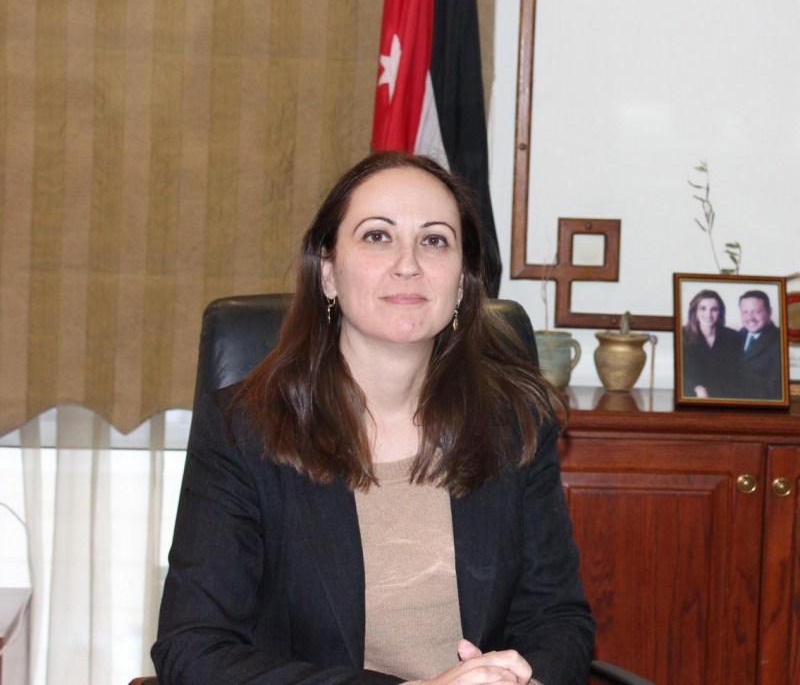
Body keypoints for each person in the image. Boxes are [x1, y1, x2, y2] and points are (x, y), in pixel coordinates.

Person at [152, 151, 595, 685]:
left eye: (434, 240)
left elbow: (557, 620)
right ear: (329, 273)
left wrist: (523, 680)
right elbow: (193, 649)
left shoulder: (514, 424)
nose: (408, 264)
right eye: (377, 236)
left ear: (461, 283)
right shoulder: (243, 429)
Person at [681, 289, 741, 398]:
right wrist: (698, 388)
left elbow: (735, 375)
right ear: (695, 311)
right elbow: (682, 373)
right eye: (703, 308)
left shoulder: (734, 337)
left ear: (720, 313)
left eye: (714, 309)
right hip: (691, 395)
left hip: (724, 397)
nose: (708, 314)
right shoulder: (682, 335)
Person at [735, 290, 782, 399]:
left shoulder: (780, 341)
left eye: (756, 311)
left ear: (769, 312)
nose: (750, 318)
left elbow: (774, 393)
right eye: (745, 312)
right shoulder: (740, 334)